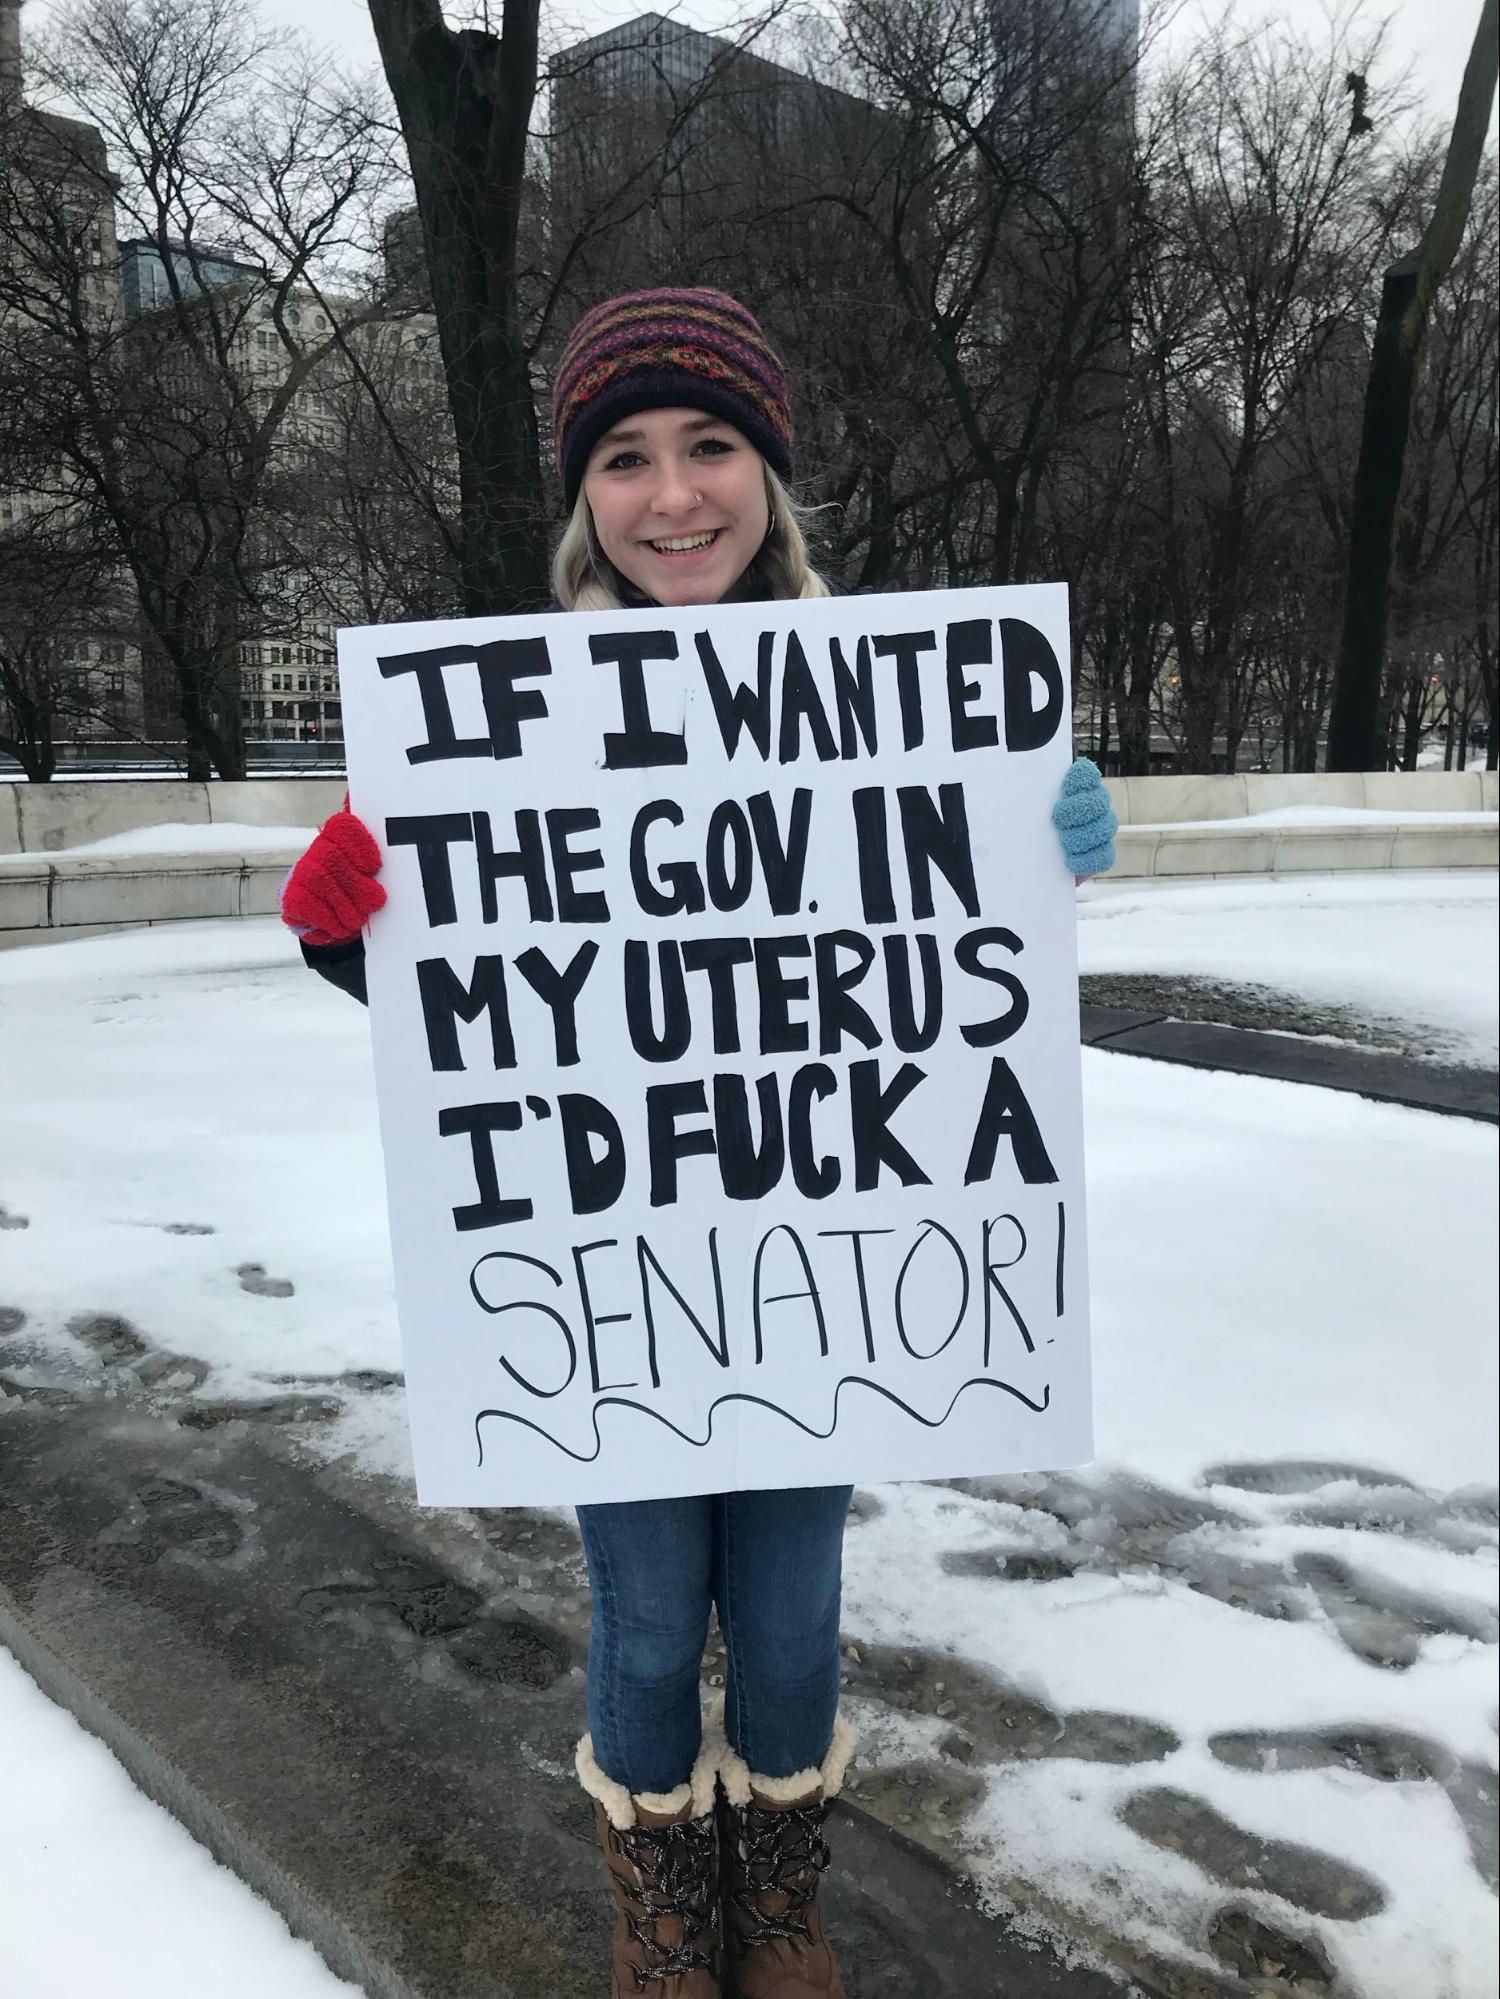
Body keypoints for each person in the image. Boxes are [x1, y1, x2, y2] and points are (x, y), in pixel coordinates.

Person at [281, 287, 1118, 1999]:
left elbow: (933, 976)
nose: (674, 495)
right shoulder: (502, 731)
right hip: (623, 1295)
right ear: (584, 496)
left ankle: (781, 1901)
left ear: (772, 475)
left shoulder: (894, 709)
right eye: (627, 457)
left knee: (797, 1621)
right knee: (654, 1619)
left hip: (817, 1282)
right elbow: (512, 1025)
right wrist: (352, 929)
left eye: (712, 446)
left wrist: (1040, 845)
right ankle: (664, 1911)